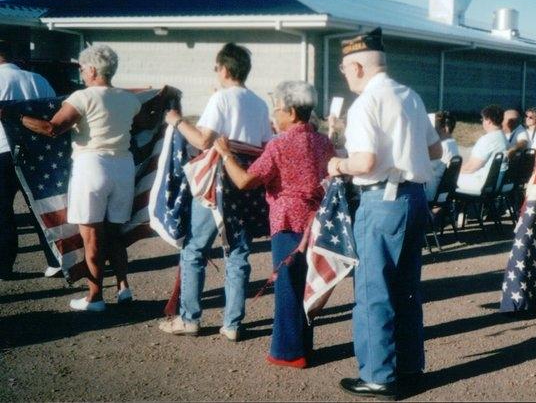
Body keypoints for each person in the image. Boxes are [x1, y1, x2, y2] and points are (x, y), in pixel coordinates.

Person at [326, 28, 442, 400]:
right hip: (414, 198)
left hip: (382, 201)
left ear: (358, 66)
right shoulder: (410, 96)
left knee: (374, 291)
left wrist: (337, 164)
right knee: (406, 289)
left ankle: (378, 375)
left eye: (345, 68)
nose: (344, 74)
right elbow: (435, 151)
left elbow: (366, 161)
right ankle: (409, 367)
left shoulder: (364, 104)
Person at [214, 80, 334, 368]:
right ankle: (304, 347)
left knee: (287, 286)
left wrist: (226, 154)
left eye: (277, 110)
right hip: (316, 219)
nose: (273, 116)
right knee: (306, 284)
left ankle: (288, 352)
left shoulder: (279, 145)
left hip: (287, 220)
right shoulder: (324, 142)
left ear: (291, 112)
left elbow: (244, 181)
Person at [159, 42, 272, 340]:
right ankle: (232, 323)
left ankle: (190, 318)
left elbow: (202, 140)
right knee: (239, 251)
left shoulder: (220, 99)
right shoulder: (260, 103)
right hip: (244, 178)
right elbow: (263, 145)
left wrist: (177, 121)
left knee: (195, 248)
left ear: (223, 69)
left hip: (218, 180)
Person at [16, 44, 141, 311]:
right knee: (116, 232)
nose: (82, 73)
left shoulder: (81, 97)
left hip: (92, 166)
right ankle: (123, 287)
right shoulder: (131, 100)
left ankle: (95, 297)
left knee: (91, 236)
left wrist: (18, 117)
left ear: (93, 69)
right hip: (123, 167)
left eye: (83, 69)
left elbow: (52, 128)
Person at [0, 40, 61, 280]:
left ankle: (4, 264)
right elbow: (54, 112)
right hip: (36, 152)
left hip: (2, 150)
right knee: (41, 209)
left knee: (2, 212)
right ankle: (55, 259)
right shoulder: (38, 80)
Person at [456, 104, 508, 194]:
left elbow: (471, 167)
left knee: (447, 180)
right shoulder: (503, 138)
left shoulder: (487, 139)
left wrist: (455, 171)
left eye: (483, 119)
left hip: (483, 183)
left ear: (488, 121)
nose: (482, 122)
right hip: (497, 182)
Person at [425, 111, 460, 201]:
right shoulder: (452, 143)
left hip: (432, 191)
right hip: (443, 191)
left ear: (445, 128)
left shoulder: (443, 146)